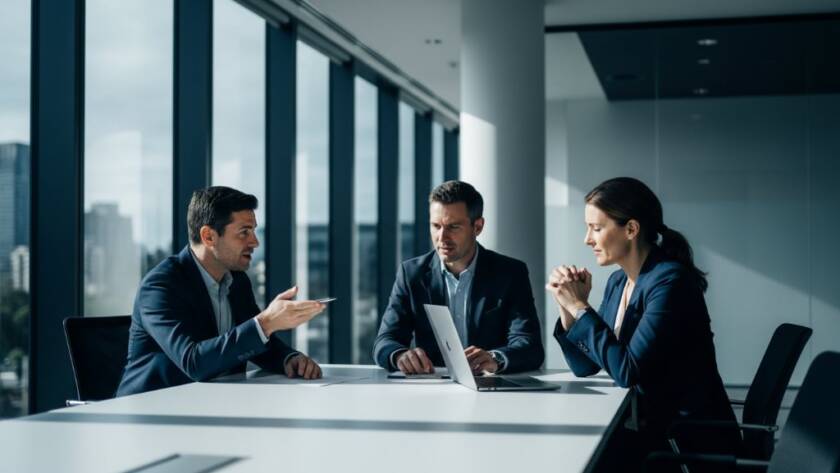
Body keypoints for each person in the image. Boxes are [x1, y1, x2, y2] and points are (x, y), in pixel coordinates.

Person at [545, 177, 739, 466]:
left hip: (682, 441)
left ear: (631, 229)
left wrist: (581, 306)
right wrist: (568, 307)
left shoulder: (670, 281)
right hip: (648, 426)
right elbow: (585, 366)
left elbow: (627, 371)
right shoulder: (618, 281)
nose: (587, 239)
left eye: (596, 228)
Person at [117, 186, 325, 396]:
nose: (255, 242)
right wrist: (266, 322)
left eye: (253, 231)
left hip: (211, 402)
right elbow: (194, 362)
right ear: (208, 236)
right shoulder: (160, 286)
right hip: (151, 412)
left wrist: (290, 358)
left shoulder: (237, 280)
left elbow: (253, 341)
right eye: (244, 232)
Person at [373, 180, 544, 375]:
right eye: (436, 226)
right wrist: (399, 355)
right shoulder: (412, 274)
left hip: (492, 392)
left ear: (477, 227)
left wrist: (495, 358)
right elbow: (384, 341)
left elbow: (530, 347)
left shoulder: (510, 273)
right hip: (432, 390)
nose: (442, 237)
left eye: (453, 227)